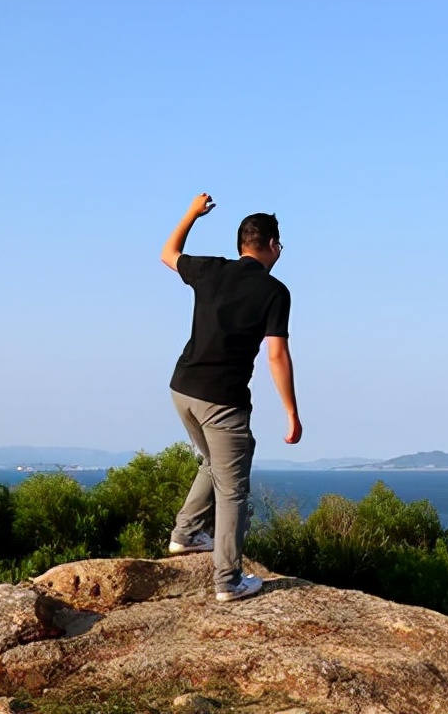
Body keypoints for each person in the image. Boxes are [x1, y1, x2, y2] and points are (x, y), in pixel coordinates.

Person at [160, 193, 302, 602]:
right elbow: (277, 353)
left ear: (242, 244)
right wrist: (291, 413)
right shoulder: (275, 291)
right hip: (223, 400)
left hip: (183, 388)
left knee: (214, 463)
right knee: (233, 489)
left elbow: (168, 253)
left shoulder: (210, 270)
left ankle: (186, 534)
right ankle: (228, 581)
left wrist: (191, 212)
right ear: (272, 245)